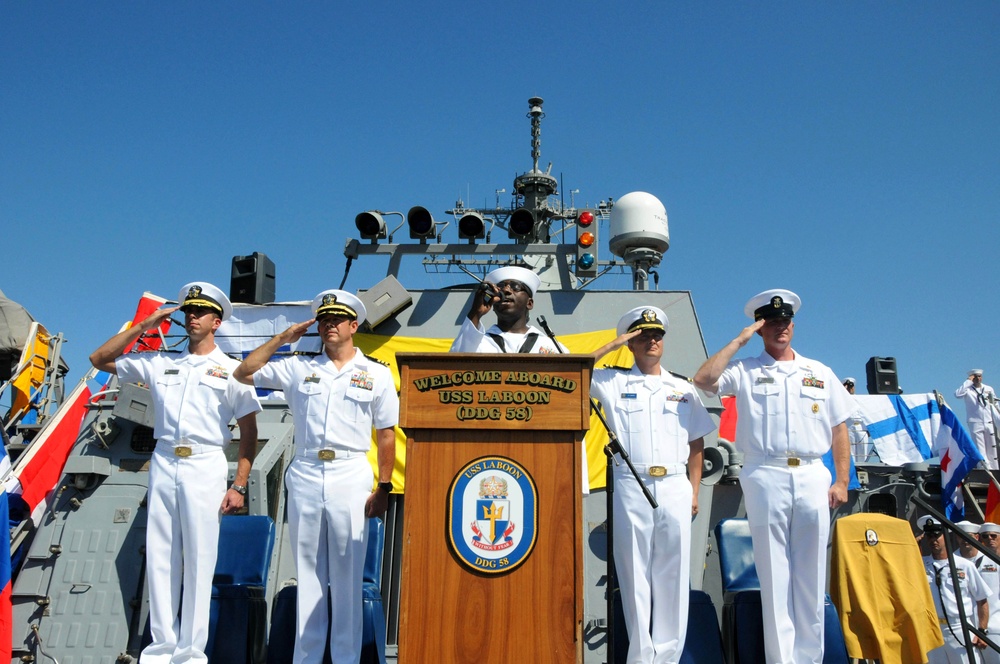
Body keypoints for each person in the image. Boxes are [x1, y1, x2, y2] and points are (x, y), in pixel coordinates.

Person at [90, 282, 261, 664]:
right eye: (188, 311)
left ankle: (190, 653)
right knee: (162, 554)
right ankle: (160, 649)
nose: (191, 317)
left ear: (216, 321)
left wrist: (238, 484)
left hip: (205, 462)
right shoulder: (160, 362)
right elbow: (99, 359)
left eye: (200, 312)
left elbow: (249, 434)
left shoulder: (232, 371)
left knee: (200, 558)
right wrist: (144, 326)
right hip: (165, 459)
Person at [233, 289, 397, 664]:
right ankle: (305, 659)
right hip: (306, 471)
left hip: (350, 471)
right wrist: (282, 338)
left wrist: (383, 486)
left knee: (347, 577)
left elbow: (386, 433)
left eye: (336, 320)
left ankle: (345, 659)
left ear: (353, 325)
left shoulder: (375, 373)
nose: (329, 326)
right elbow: (244, 372)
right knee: (307, 575)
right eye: (323, 320)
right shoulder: (297, 366)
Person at [693, 289, 853, 664]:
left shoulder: (819, 372)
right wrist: (739, 340)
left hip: (813, 472)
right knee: (774, 574)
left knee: (812, 577)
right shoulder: (746, 369)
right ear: (761, 328)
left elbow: (839, 430)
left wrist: (841, 480)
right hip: (765, 472)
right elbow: (703, 379)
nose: (780, 329)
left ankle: (810, 659)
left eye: (785, 322)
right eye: (771, 323)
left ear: (793, 326)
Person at [590, 306, 714, 663]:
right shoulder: (612, 382)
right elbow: (576, 370)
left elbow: (696, 445)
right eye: (643, 335)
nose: (652, 341)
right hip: (632, 482)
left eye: (657, 335)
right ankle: (642, 657)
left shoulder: (681, 387)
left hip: (675, 483)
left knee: (673, 576)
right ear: (631, 342)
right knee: (634, 574)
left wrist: (693, 491)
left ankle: (669, 657)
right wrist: (614, 343)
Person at [920, 517, 991, 663]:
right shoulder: (921, 565)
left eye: (937, 535)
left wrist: (982, 631)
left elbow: (982, 600)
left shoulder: (964, 565)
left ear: (946, 536)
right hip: (932, 629)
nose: (933, 540)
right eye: (929, 536)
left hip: (960, 627)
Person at [449, 265, 563, 354]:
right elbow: (455, 365)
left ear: (529, 303)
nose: (506, 290)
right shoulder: (478, 343)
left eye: (515, 287)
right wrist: (476, 313)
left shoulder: (550, 346)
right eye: (500, 288)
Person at [956, 371, 999, 470]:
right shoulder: (967, 390)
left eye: (980, 376)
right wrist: (968, 381)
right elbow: (958, 394)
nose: (978, 379)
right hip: (975, 421)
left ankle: (994, 468)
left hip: (989, 420)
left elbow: (996, 404)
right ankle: (983, 467)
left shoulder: (988, 389)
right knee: (980, 447)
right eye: (976, 377)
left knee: (991, 447)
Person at [977, 523, 1000, 664]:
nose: (990, 539)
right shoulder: (977, 563)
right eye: (985, 536)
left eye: (993, 536)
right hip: (990, 628)